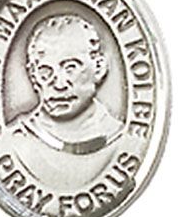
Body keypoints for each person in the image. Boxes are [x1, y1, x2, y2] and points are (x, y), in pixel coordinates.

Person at [9, 14, 123, 153]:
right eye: (45, 72)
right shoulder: (15, 138)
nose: (59, 85)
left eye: (70, 68)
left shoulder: (120, 135)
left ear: (99, 68)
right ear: (33, 75)